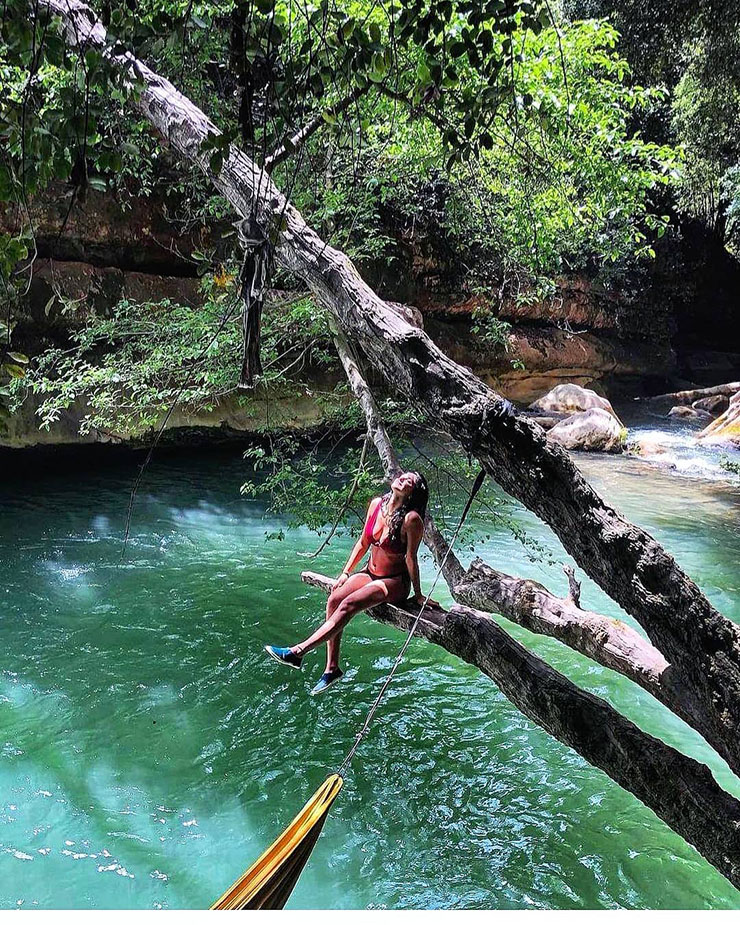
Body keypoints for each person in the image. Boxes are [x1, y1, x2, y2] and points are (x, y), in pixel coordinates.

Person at [265, 471, 438, 695]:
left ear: (412, 494)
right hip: (370, 572)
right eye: (403, 476)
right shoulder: (378, 504)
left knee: (349, 604)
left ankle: (297, 652)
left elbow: (410, 558)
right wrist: (346, 573)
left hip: (394, 582)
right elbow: (364, 541)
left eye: (410, 482)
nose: (403, 479)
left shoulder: (411, 519)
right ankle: (332, 669)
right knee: (334, 599)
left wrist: (419, 594)